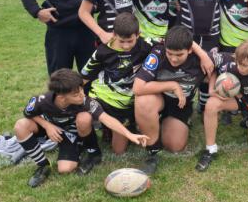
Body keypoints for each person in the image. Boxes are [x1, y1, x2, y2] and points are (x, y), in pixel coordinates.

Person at [13, 69, 148, 187]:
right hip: (50, 128)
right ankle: (43, 165)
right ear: (61, 97)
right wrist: (47, 125)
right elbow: (28, 113)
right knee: (21, 125)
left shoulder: (86, 102)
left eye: (82, 89)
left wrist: (130, 135)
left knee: (65, 168)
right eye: (76, 94)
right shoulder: (41, 100)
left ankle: (91, 151)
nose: (82, 95)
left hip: (70, 134)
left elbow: (106, 118)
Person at [195, 38, 248, 172]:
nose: (239, 67)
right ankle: (210, 149)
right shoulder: (229, 60)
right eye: (238, 62)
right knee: (212, 104)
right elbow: (212, 63)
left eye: (244, 65)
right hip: (240, 100)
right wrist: (211, 88)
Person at [133, 26, 210, 175]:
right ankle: (152, 151)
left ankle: (163, 123)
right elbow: (137, 88)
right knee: (143, 101)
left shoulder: (201, 59)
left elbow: (227, 66)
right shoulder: (158, 53)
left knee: (174, 146)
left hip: (180, 104)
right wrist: (173, 85)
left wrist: (205, 56)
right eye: (170, 53)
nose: (174, 59)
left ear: (190, 50)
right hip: (158, 98)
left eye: (179, 54)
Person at [80, 13, 154, 154]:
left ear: (138, 34)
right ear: (114, 34)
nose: (126, 46)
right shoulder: (102, 51)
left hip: (125, 103)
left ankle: (121, 126)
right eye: (121, 41)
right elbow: (83, 77)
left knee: (119, 150)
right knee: (82, 118)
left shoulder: (146, 45)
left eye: (130, 41)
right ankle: (91, 148)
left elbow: (168, 44)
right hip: (101, 97)